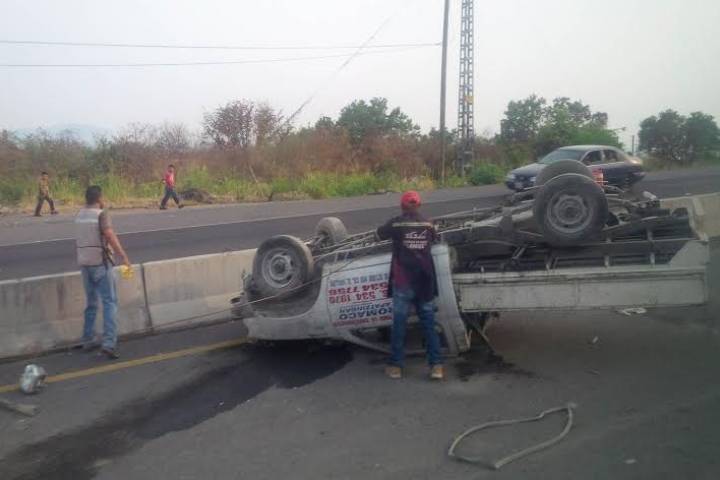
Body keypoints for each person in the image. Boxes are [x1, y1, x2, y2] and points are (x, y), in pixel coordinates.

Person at [376, 190, 444, 380]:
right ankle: (436, 367)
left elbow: (379, 234)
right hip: (425, 281)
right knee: (429, 325)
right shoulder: (428, 224)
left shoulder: (396, 223)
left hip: (403, 281)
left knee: (399, 325)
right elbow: (436, 238)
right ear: (419, 205)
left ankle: (395, 367)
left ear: (402, 206)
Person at [75, 185, 130, 359]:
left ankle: (87, 339)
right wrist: (123, 256)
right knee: (109, 302)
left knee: (91, 303)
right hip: (101, 263)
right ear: (99, 198)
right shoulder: (101, 214)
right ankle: (109, 344)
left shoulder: (79, 215)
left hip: (84, 264)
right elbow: (109, 235)